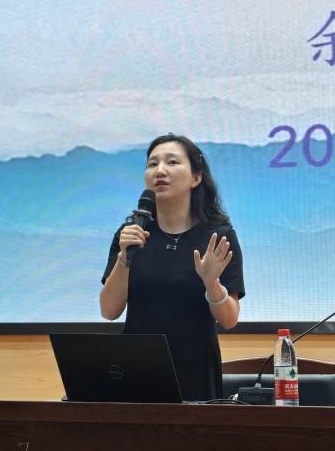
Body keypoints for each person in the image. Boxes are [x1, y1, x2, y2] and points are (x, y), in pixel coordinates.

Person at [99, 134, 245, 401]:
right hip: (135, 367)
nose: (160, 171)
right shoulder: (130, 234)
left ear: (195, 178)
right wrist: (124, 257)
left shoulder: (218, 235)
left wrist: (212, 282)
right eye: (152, 164)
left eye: (172, 162)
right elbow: (109, 311)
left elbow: (229, 319)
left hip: (195, 369)